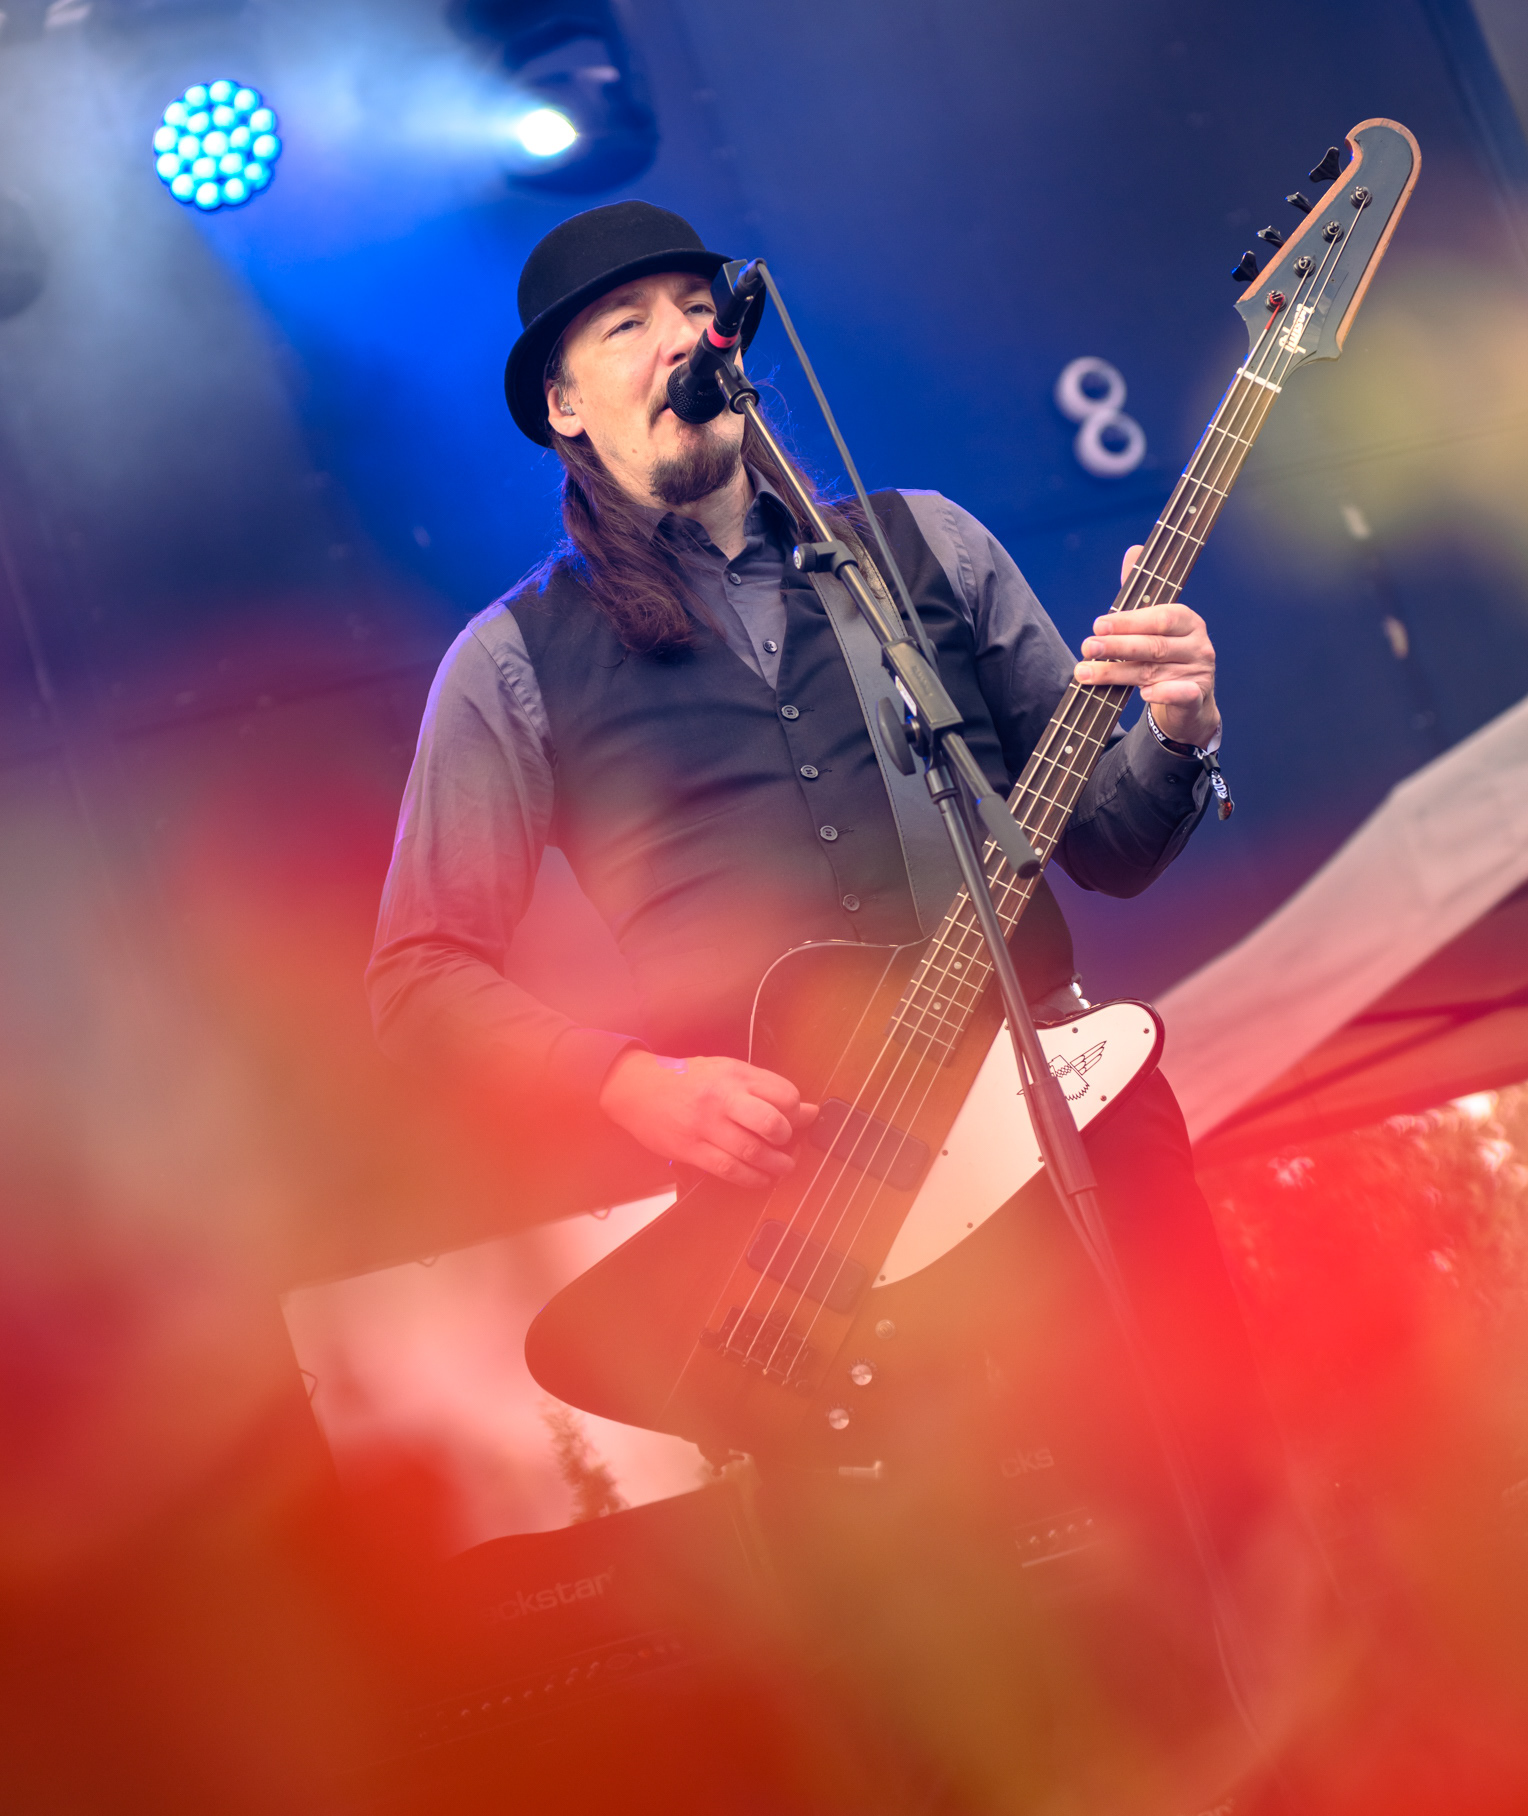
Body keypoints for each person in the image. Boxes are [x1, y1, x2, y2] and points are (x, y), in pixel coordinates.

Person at [366, 200, 1295, 1809]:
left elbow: (1109, 844)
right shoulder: (511, 663)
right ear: (563, 406)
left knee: (1224, 1557)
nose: (676, 335)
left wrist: (1180, 730)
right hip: (818, 1234)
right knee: (945, 1667)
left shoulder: (923, 548)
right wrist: (627, 1083)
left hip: (1068, 1150)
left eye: (690, 303)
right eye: (622, 325)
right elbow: (417, 977)